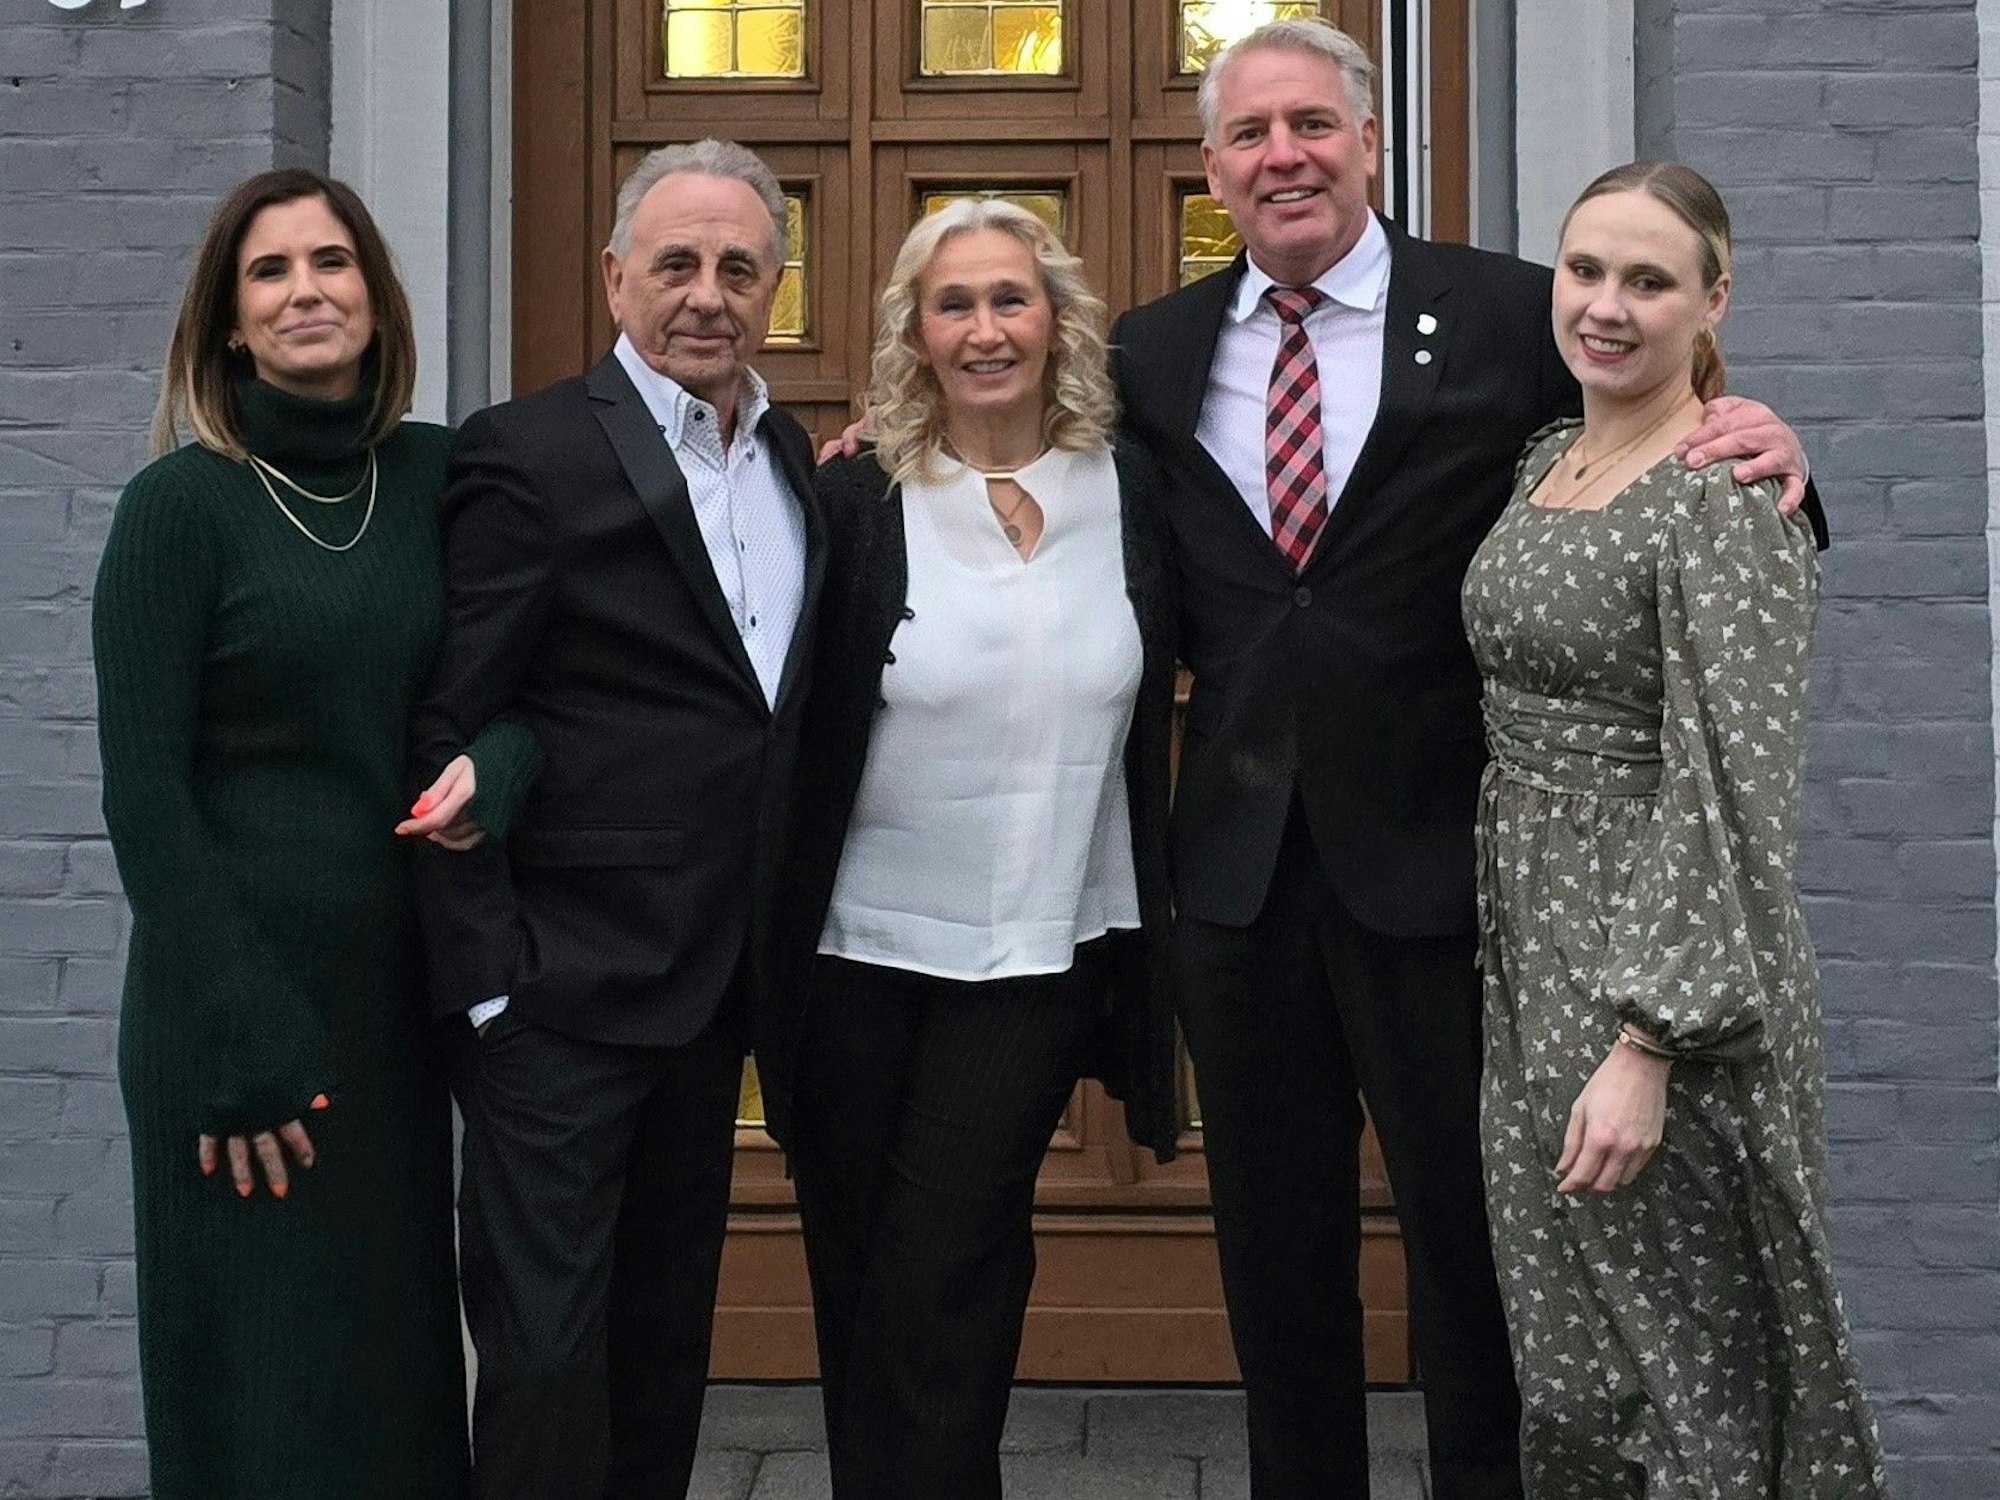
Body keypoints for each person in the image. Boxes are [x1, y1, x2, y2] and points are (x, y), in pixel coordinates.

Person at [1106, 20, 1824, 1498]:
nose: (1284, 156)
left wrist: (1779, 452)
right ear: (1213, 170)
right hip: (1238, 883)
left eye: (1313, 124)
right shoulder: (1148, 351)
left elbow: (1658, 445)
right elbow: (1019, 468)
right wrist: (872, 453)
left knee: (1480, 1257)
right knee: (1279, 1265)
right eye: (1251, 135)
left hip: (1453, 883)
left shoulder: (1515, 314)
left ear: (1369, 141)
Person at [93, 168, 528, 1500]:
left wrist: (491, 780)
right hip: (232, 1021)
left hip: (390, 1010)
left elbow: (535, 697)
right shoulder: (179, 510)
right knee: (255, 1395)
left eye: (330, 262)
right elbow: (144, 797)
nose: (305, 292)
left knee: (390, 1381)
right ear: (230, 321)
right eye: (269, 272)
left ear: (374, 295)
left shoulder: (444, 475)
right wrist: (246, 1030)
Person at [1462, 160, 1887, 1499]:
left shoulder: (1725, 493)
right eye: (1587, 270)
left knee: (1689, 1376)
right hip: (1531, 951)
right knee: (1579, 1368)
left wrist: (1650, 1040)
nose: (1607, 305)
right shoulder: (1550, 458)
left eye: (1650, 280)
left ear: (1714, 302)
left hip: (1656, 973)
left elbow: (1735, 786)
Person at [405, 138, 823, 1498]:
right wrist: (487, 997)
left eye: (738, 268)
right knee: (543, 1358)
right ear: (614, 279)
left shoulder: (792, 456)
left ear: (774, 286)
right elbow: (452, 722)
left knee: (662, 1348)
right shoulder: (525, 453)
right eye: (677, 264)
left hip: (712, 996)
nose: (708, 295)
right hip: (559, 1004)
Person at [776, 198, 1179, 1500]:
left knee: (949, 1254)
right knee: (860, 1261)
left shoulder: (1135, 491)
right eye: (955, 304)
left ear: (1057, 322)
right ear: (917, 333)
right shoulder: (853, 495)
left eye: (1011, 298)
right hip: (851, 955)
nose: (986, 327)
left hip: (1035, 950)